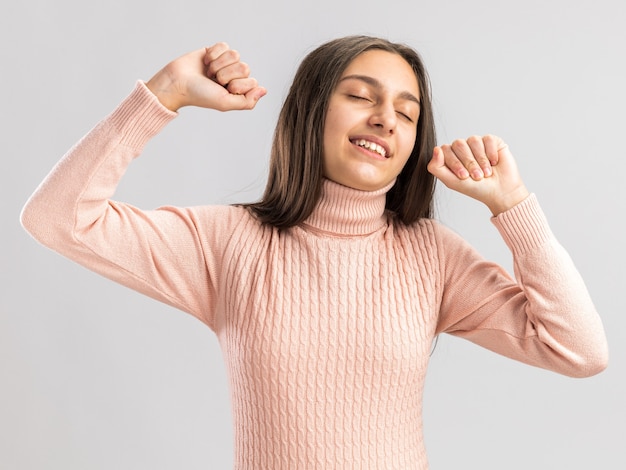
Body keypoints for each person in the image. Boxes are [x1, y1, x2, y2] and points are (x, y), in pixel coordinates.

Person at [21, 36, 608, 469]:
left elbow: (580, 351)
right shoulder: (230, 243)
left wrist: (513, 206)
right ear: (311, 112)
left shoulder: (431, 255)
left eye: (407, 113)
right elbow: (58, 219)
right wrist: (166, 92)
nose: (385, 118)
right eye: (361, 96)